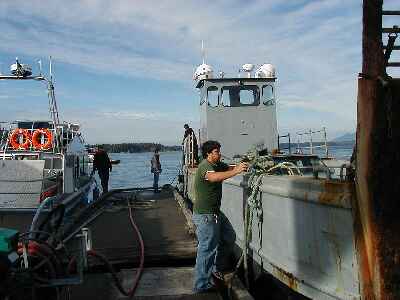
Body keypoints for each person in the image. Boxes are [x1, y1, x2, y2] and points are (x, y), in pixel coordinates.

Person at [193, 140, 248, 293]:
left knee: (229, 237)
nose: (219, 153)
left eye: (219, 150)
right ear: (208, 154)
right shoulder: (205, 166)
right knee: (207, 249)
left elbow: (229, 167)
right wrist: (236, 171)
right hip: (206, 215)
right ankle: (201, 284)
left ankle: (216, 268)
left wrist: (241, 166)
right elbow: (214, 178)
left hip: (215, 212)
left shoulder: (217, 164)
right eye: (216, 151)